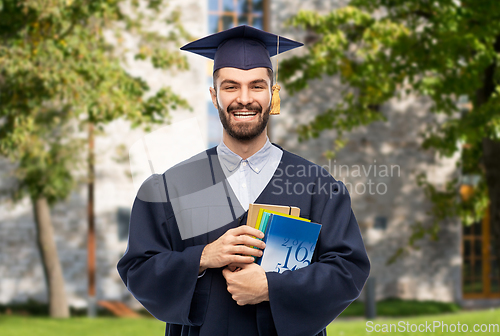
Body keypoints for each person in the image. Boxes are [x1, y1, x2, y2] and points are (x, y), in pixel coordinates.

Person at [117, 25, 370, 336]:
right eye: (231, 87)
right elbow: (138, 269)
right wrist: (203, 257)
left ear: (272, 94)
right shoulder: (172, 186)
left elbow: (348, 271)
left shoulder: (318, 186)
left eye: (257, 86)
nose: (245, 99)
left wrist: (272, 287)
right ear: (215, 95)